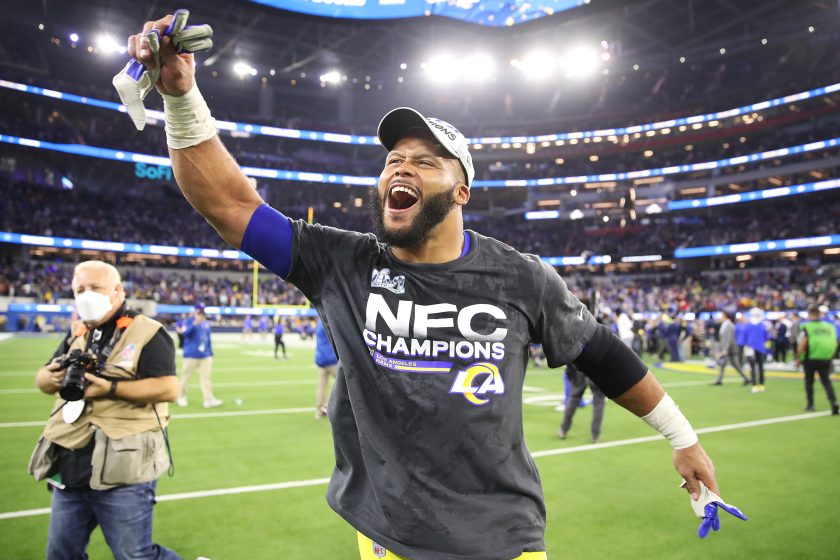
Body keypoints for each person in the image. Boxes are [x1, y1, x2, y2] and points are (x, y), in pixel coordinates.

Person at [126, 18, 735, 557]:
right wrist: (181, 97)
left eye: (425, 160)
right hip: (386, 534)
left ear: (461, 191)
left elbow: (602, 354)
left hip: (501, 537)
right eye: (393, 158)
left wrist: (682, 438)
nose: (400, 167)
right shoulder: (341, 262)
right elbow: (227, 202)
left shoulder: (519, 277)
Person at [29, 260, 179, 560]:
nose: (87, 295)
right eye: (79, 289)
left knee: (134, 555)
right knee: (61, 554)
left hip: (123, 466)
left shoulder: (148, 332)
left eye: (95, 288)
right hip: (71, 462)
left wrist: (110, 388)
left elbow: (169, 389)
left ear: (117, 291)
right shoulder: (79, 334)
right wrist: (51, 376)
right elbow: (43, 380)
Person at [796, 305, 839, 414]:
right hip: (826, 358)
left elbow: (803, 344)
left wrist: (799, 358)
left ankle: (810, 404)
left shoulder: (807, 326)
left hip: (811, 358)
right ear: (819, 314)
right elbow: (835, 342)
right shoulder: (829, 326)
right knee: (826, 381)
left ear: (810, 315)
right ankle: (834, 402)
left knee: (809, 382)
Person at [176, 306, 222, 408]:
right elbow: (185, 334)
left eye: (202, 313)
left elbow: (208, 339)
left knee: (206, 378)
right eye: (199, 313)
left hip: (205, 355)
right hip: (191, 355)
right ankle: (181, 397)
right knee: (186, 377)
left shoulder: (205, 323)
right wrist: (195, 323)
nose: (201, 315)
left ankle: (208, 399)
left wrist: (210, 352)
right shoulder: (188, 321)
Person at [557, 363, 606, 443]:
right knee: (599, 401)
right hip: (595, 369)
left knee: (573, 400)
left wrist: (569, 372)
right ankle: (595, 436)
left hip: (579, 369)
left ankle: (563, 430)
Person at [712, 311, 750, 386]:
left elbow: (728, 339)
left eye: (721, 316)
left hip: (731, 349)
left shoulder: (730, 325)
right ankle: (719, 379)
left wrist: (725, 350)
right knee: (723, 364)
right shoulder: (724, 325)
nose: (720, 318)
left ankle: (746, 378)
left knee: (735, 364)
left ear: (725, 316)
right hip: (727, 348)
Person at [314, 318, 338, 419]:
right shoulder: (327, 320)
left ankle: (319, 410)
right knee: (344, 381)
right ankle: (330, 407)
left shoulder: (320, 321)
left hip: (321, 357)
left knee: (322, 385)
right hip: (330, 358)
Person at [743, 307, 770, 393]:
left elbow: (745, 337)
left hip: (751, 348)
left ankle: (755, 385)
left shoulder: (749, 325)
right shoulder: (762, 325)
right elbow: (766, 337)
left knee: (753, 367)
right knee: (760, 367)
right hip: (760, 348)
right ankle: (761, 384)